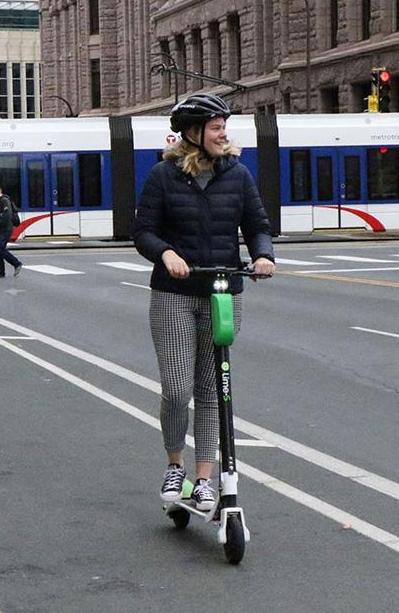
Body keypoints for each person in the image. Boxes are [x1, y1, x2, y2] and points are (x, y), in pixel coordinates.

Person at [132, 93, 275, 512]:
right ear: (193, 134)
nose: (222, 133)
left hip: (224, 292)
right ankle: (175, 464)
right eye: (215, 127)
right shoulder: (164, 175)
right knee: (178, 390)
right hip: (174, 293)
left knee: (213, 391)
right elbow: (143, 230)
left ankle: (205, 478)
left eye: (224, 127)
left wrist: (263, 255)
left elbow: (257, 224)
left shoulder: (239, 175)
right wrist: (166, 253)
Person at [0, 184, 22, 278]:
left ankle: (17, 263)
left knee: (0, 249)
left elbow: (7, 216)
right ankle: (0, 272)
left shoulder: (4, 200)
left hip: (4, 230)